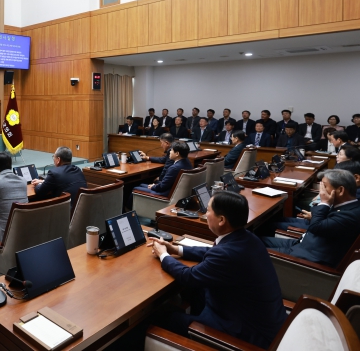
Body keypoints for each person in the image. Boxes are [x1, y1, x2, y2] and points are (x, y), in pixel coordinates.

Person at [150, 191, 287, 348]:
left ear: (221, 220)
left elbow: (188, 276)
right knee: (195, 292)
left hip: (248, 334)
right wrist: (176, 249)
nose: (205, 214)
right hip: (256, 317)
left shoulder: (227, 254)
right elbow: (212, 252)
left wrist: (163, 255)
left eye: (208, 210)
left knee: (164, 317)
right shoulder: (247, 238)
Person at [262, 169, 360, 267]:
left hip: (305, 257)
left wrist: (324, 203)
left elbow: (316, 227)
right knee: (259, 240)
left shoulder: (351, 215)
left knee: (255, 250)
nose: (321, 191)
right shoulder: (347, 206)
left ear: (340, 190)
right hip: (303, 244)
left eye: (324, 186)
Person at [126, 142, 192, 209]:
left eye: (171, 150)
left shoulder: (174, 168)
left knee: (135, 188)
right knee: (141, 185)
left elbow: (162, 187)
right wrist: (155, 185)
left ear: (177, 153)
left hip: (166, 194)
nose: (169, 152)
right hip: (174, 192)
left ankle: (129, 211)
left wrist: (154, 186)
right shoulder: (187, 163)